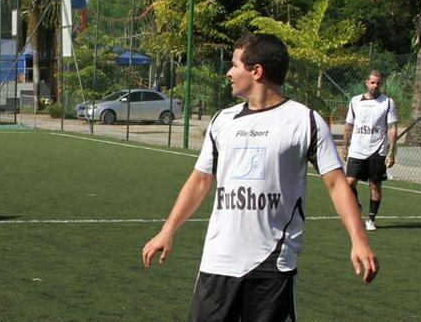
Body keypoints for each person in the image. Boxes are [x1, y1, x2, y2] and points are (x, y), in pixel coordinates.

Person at [142, 33, 378, 321]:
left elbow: (336, 184)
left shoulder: (305, 121)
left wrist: (358, 238)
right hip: (219, 261)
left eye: (235, 65)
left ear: (257, 71)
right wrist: (168, 230)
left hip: (272, 263)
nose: (229, 72)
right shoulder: (221, 121)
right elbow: (200, 180)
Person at [342, 69, 398, 231]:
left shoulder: (387, 103)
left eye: (378, 83)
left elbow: (392, 127)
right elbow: (348, 125)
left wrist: (391, 151)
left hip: (377, 151)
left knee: (375, 185)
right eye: (372, 82)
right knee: (348, 183)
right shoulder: (355, 101)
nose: (375, 85)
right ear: (366, 83)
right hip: (357, 150)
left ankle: (371, 219)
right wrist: (344, 147)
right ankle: (356, 205)